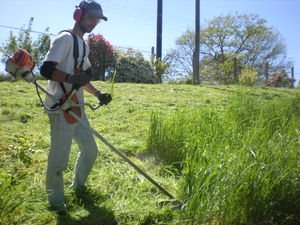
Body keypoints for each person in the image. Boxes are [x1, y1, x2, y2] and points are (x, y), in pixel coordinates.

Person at [40, 0, 111, 213]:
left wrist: (98, 94)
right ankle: (56, 204)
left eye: (97, 19)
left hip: (77, 106)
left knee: (90, 150)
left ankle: (78, 187)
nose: (94, 22)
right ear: (78, 15)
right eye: (91, 17)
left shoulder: (84, 45)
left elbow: (82, 76)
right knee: (59, 159)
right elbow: (45, 69)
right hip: (61, 106)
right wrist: (71, 77)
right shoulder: (65, 39)